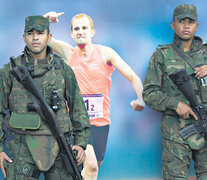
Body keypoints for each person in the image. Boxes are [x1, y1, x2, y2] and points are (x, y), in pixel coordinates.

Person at [43, 12, 145, 179]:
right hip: (76, 123)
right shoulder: (68, 52)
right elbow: (44, 37)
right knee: (90, 166)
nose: (80, 32)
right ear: (72, 34)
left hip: (101, 123)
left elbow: (133, 77)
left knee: (91, 171)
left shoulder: (106, 53)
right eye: (76, 29)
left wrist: (140, 98)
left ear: (92, 32)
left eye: (84, 28)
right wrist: (45, 20)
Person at [0, 15, 90, 179]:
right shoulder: (10, 71)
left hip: (59, 146)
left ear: (49, 37)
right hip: (22, 147)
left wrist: (80, 143)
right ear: (24, 37)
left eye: (40, 33)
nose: (35, 37)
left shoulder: (63, 70)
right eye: (30, 33)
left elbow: (78, 108)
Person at [143, 4, 207, 179]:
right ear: (173, 25)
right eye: (181, 21)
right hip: (175, 132)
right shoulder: (161, 56)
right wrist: (175, 104)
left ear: (197, 26)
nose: (186, 26)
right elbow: (149, 93)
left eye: (190, 22)